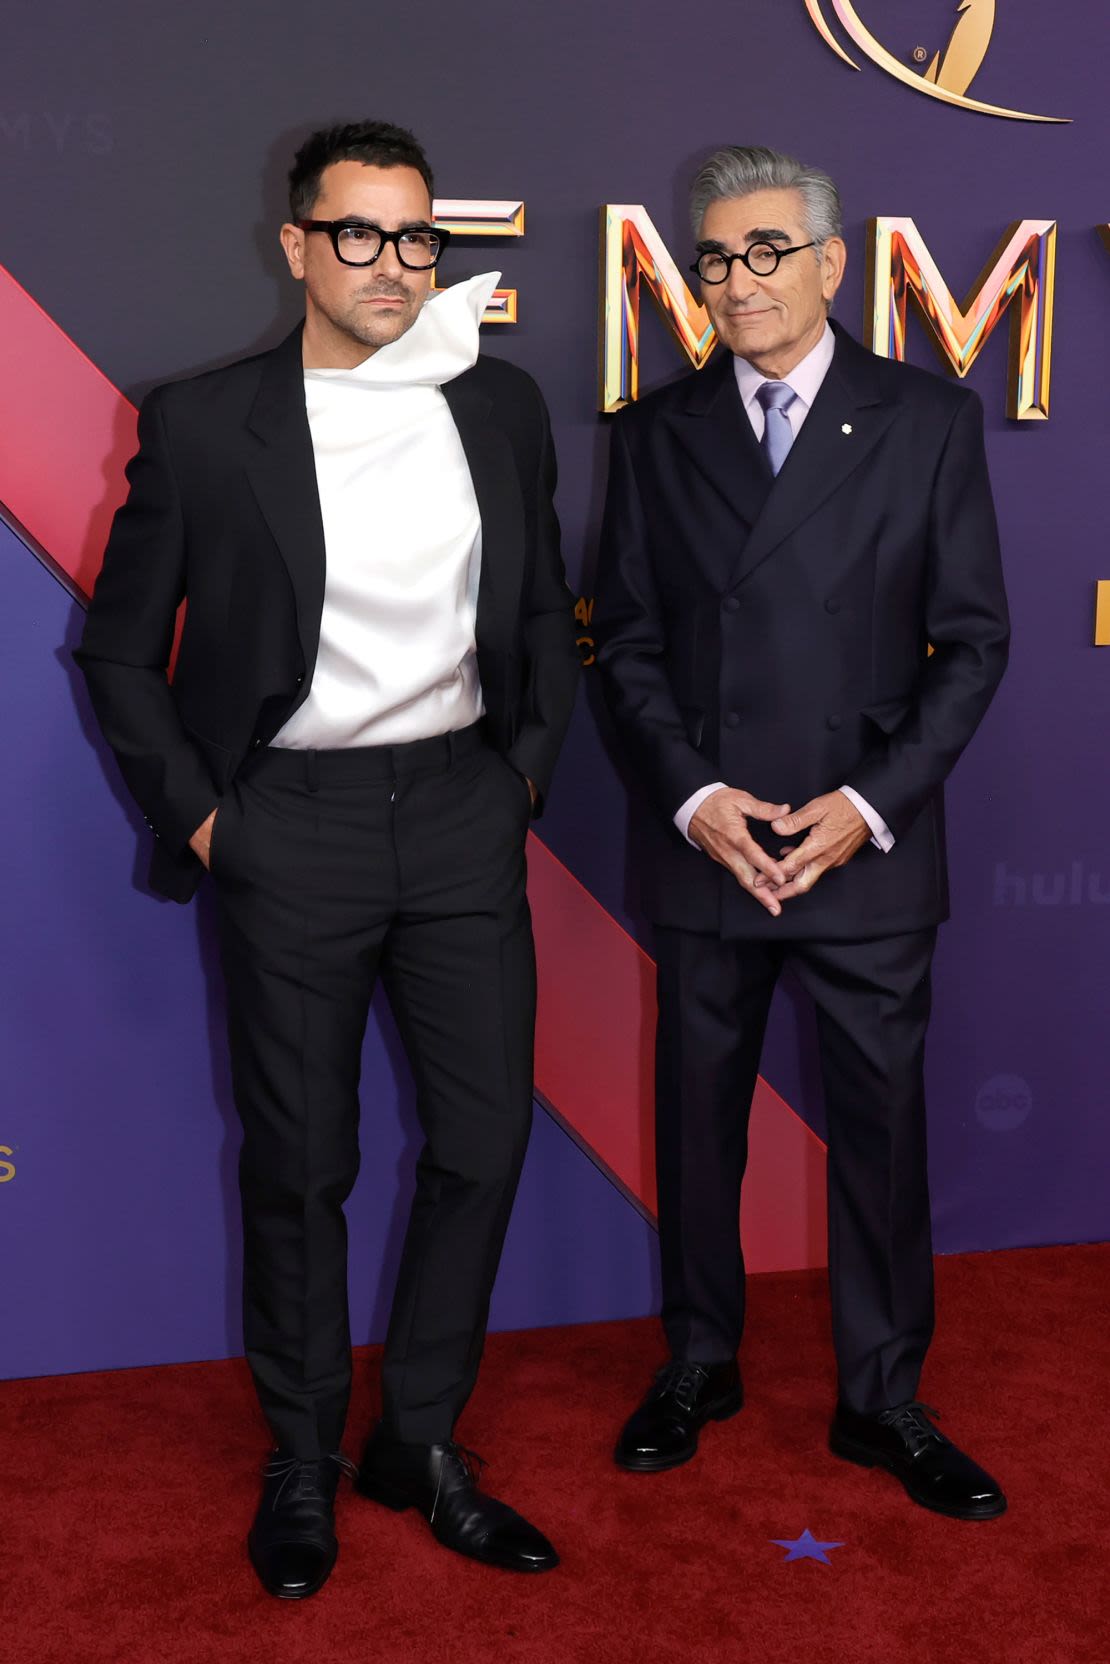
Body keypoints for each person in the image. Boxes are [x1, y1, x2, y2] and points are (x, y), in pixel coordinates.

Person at [77, 119, 579, 1597]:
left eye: (415, 236)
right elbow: (117, 651)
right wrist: (208, 816)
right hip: (284, 823)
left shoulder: (501, 407)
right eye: (356, 233)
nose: (390, 262)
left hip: (460, 813)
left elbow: (546, 609)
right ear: (295, 244)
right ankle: (299, 1456)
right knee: (303, 1169)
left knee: (482, 1144)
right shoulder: (202, 421)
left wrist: (522, 778)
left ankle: (416, 1442)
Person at [596, 145, 1010, 1520]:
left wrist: (869, 803)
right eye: (715, 257)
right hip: (711, 842)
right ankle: (698, 1364)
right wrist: (700, 800)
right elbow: (631, 645)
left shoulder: (924, 418)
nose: (737, 279)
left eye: (767, 250)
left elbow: (973, 643)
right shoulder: (655, 433)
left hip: (861, 843)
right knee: (698, 1122)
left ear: (833, 265)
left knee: (881, 1135)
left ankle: (882, 1396)